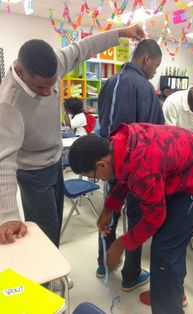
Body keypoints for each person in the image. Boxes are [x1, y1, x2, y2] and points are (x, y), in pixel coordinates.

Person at [0, 24, 145, 246]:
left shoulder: (56, 63)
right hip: (32, 172)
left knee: (54, 226)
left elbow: (84, 48)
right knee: (44, 234)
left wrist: (121, 32)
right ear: (20, 72)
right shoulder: (9, 103)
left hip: (55, 162)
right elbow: (5, 162)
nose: (49, 92)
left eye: (52, 84)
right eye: (41, 87)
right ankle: (44, 280)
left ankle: (51, 273)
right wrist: (8, 216)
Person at [68, 123, 193, 314]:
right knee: (168, 242)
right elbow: (126, 176)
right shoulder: (119, 144)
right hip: (181, 169)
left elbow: (154, 217)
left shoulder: (142, 166)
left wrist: (121, 244)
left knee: (166, 247)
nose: (98, 180)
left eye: (93, 176)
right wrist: (109, 209)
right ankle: (167, 288)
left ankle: (168, 302)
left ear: (101, 164)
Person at [97, 39, 164, 290]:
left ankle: (104, 263)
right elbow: (154, 133)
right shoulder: (144, 88)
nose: (155, 71)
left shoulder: (109, 82)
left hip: (107, 161)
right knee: (137, 216)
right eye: (155, 66)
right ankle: (131, 274)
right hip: (136, 165)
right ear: (145, 59)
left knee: (109, 212)